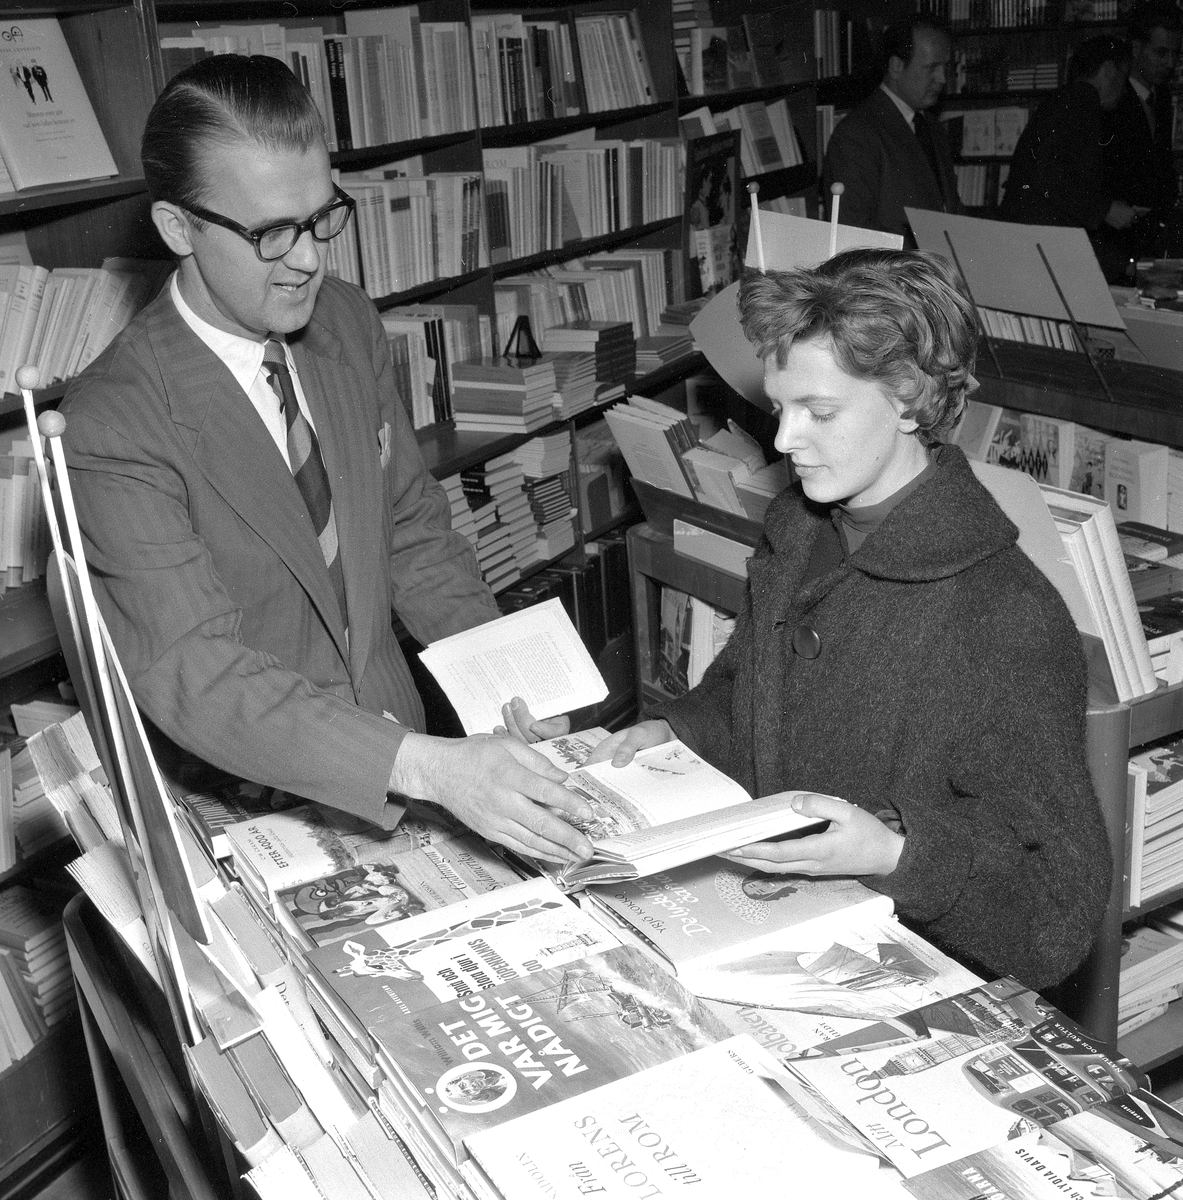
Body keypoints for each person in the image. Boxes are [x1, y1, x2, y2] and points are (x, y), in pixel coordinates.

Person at [60, 55, 594, 867]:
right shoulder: (112, 418)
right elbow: (197, 670)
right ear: (177, 229)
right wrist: (426, 767)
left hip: (406, 756)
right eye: (271, 233)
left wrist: (505, 685)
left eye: (320, 218)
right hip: (248, 804)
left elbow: (410, 528)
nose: (309, 258)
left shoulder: (341, 321)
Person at [586, 249, 1111, 991]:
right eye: (779, 409)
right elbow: (750, 691)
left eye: (820, 412)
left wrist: (896, 854)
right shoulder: (799, 529)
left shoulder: (1003, 615)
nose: (783, 441)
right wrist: (681, 731)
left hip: (901, 963)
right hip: (771, 919)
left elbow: (1058, 909)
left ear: (908, 400)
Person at [1000, 37, 1140, 283]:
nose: (1124, 88)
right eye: (1124, 76)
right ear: (1108, 69)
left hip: (1025, 241)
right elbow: (1046, 174)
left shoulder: (1065, 100)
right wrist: (1105, 209)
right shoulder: (1082, 101)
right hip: (1040, 247)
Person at [821, 16, 961, 242]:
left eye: (946, 67)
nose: (942, 78)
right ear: (896, 67)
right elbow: (853, 231)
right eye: (932, 68)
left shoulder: (931, 127)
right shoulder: (857, 134)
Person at [1101, 0, 1182, 259]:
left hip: (1152, 235)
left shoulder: (1162, 97)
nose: (1171, 63)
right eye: (1161, 53)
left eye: (1176, 54)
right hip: (1114, 238)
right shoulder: (1112, 97)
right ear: (1136, 49)